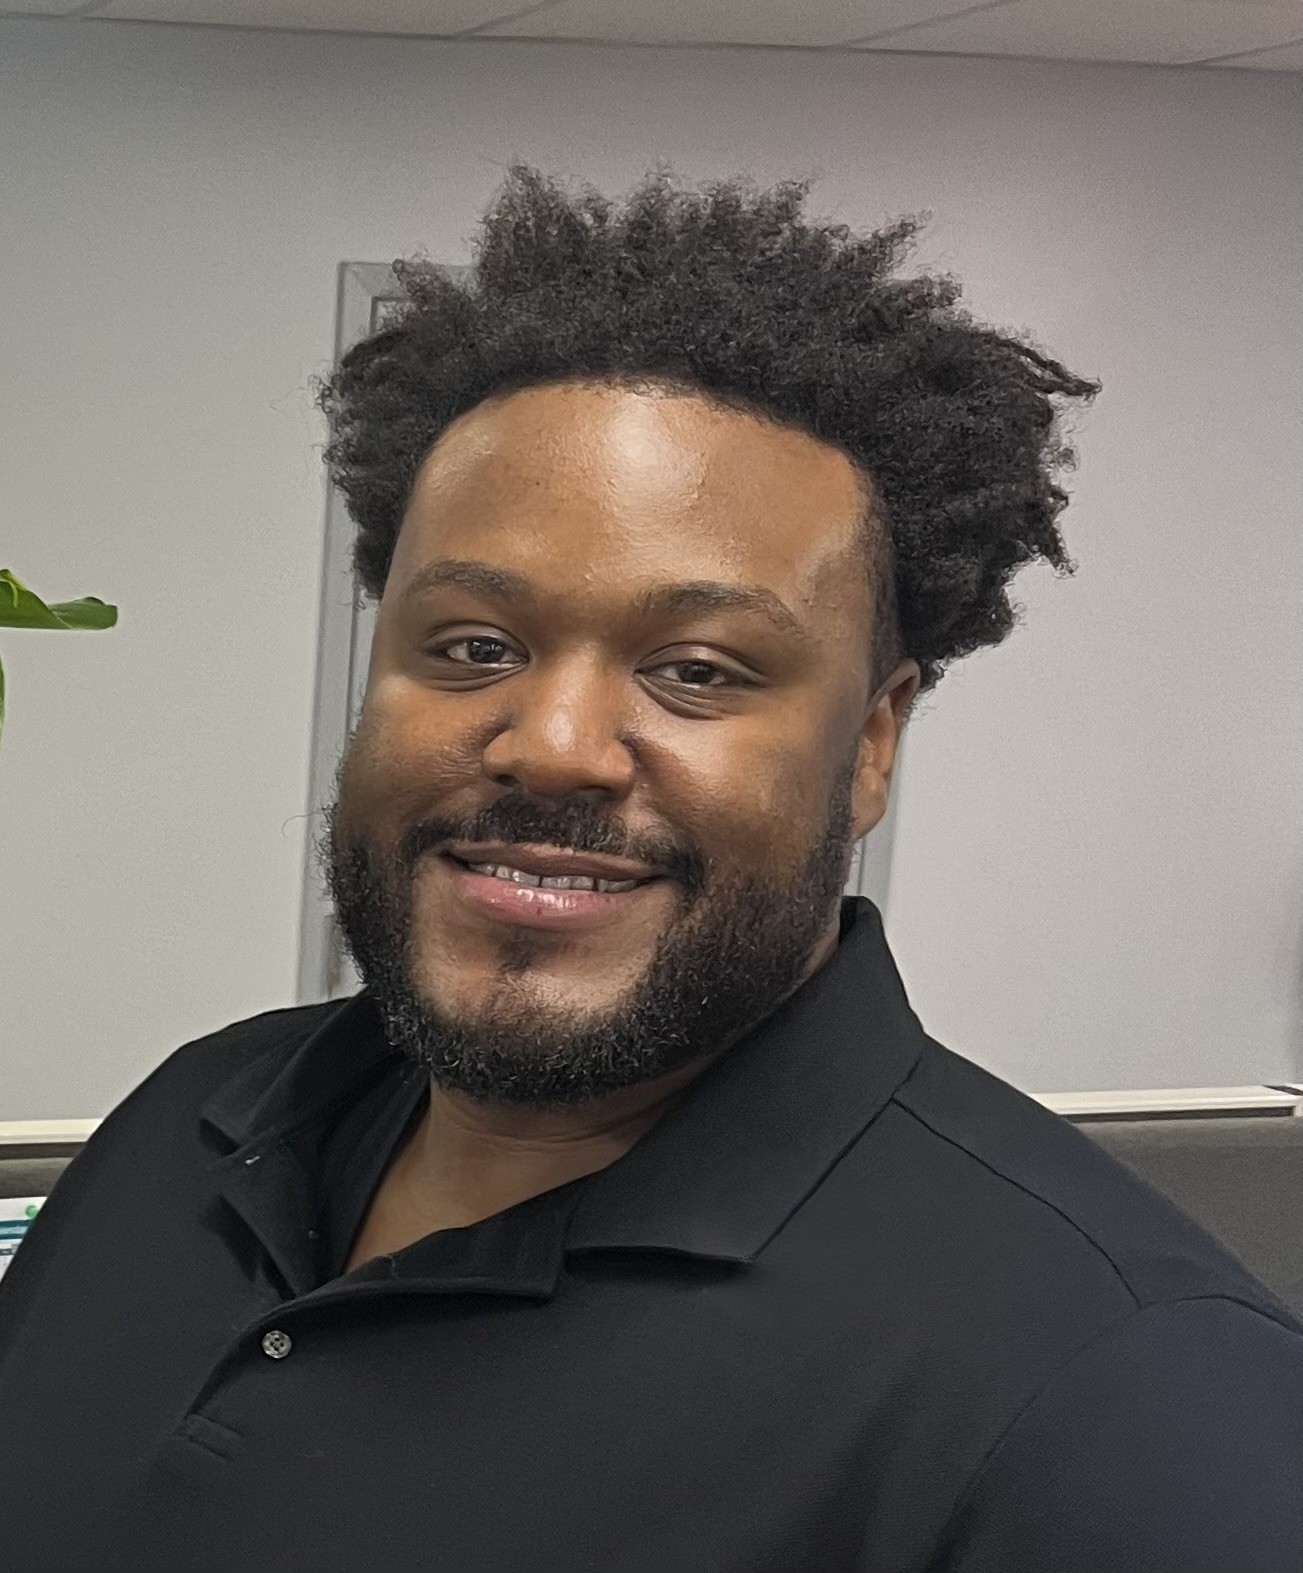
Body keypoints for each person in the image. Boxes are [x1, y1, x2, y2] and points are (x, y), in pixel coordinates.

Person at [1, 163, 1298, 1573]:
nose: (551, 745)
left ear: (871, 743)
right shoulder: (194, 1121)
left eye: (695, 669)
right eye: (473, 646)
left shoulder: (1127, 1411)